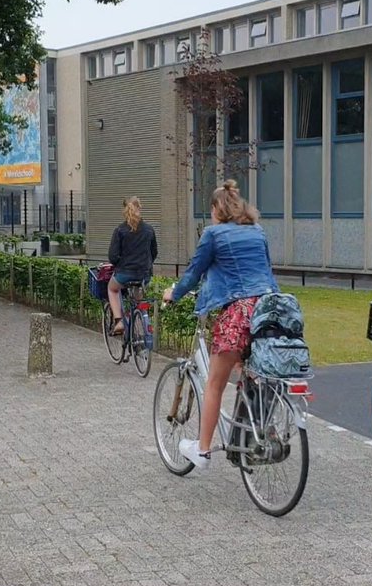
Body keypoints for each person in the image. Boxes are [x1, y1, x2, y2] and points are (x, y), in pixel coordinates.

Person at [163, 180, 278, 470]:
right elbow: (266, 272)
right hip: (269, 310)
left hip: (238, 313)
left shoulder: (213, 234)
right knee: (251, 371)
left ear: (217, 209)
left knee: (214, 384)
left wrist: (173, 293)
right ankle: (259, 431)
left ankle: (202, 451)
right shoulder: (258, 232)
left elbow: (192, 274)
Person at [107, 196, 158, 334]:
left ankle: (119, 321)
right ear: (139, 208)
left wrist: (120, 264)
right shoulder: (149, 230)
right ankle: (138, 323)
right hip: (144, 274)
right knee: (137, 298)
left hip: (124, 273)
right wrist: (145, 265)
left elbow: (112, 256)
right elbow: (154, 252)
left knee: (112, 289)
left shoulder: (120, 230)